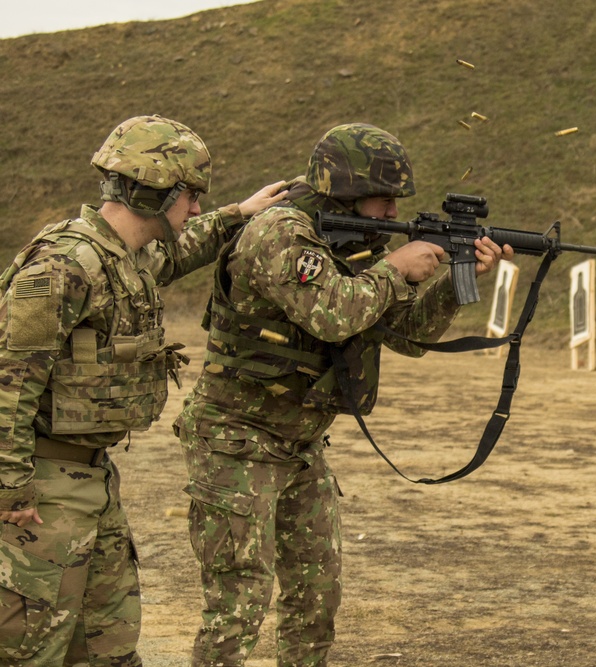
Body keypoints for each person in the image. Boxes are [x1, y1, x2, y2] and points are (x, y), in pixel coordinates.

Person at [174, 122, 513, 667]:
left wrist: (454, 279)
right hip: (236, 438)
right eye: (382, 200)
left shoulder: (357, 242)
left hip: (301, 444)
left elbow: (407, 336)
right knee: (238, 606)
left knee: (316, 597)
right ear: (346, 190)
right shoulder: (279, 232)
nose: (389, 212)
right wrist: (396, 269)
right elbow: (333, 316)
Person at [0, 114, 286, 666]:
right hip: (43, 491)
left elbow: (180, 251)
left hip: (91, 482)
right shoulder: (64, 265)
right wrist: (11, 488)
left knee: (108, 649)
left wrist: (241, 214)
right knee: (31, 650)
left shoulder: (124, 258)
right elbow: (8, 380)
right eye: (190, 196)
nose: (196, 209)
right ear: (152, 192)